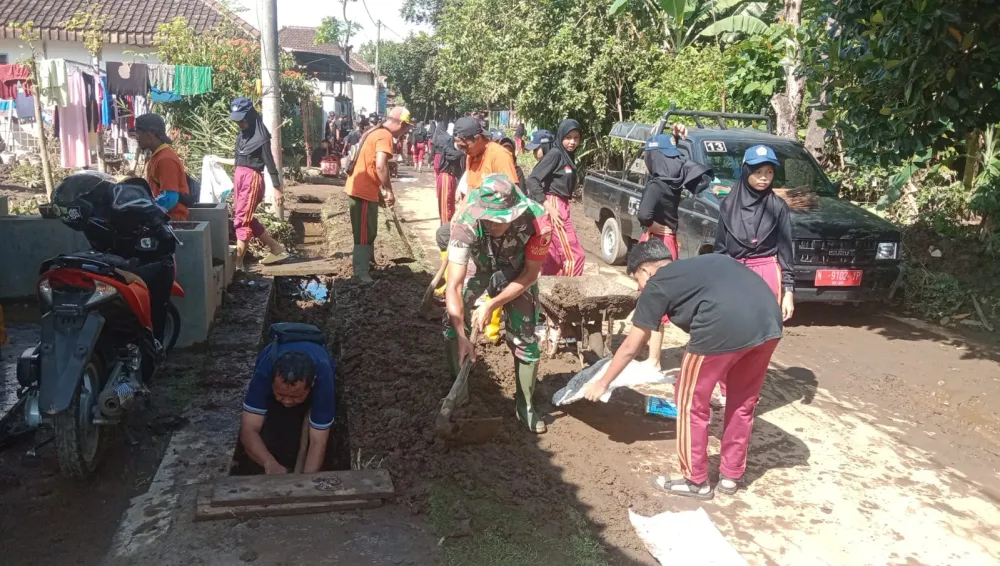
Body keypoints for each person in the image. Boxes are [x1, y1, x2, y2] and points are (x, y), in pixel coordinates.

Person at [583, 240, 783, 499]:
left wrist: (602, 383)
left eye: (637, 281)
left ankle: (695, 480)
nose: (640, 288)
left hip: (721, 328)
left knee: (689, 401)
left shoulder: (656, 283)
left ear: (646, 271)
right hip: (768, 323)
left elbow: (632, 346)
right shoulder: (705, 264)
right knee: (742, 402)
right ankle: (732, 475)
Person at [444, 174, 552, 433]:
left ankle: (524, 406)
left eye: (500, 220)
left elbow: (530, 275)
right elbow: (454, 286)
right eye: (488, 218)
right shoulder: (465, 221)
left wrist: (492, 304)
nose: (492, 224)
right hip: (479, 266)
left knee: (525, 335)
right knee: (451, 325)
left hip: (518, 273)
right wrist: (461, 335)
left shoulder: (538, 221)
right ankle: (460, 394)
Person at [637, 126, 713, 371]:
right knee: (655, 301)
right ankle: (646, 350)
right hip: (669, 244)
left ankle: (653, 360)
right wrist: (677, 139)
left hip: (656, 246)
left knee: (654, 304)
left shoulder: (656, 186)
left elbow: (644, 214)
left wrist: (656, 228)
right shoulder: (673, 183)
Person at [239, 323, 337, 475]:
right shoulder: (265, 370)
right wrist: (269, 463)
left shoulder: (324, 377)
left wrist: (305, 481)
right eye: (281, 394)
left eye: (296, 396)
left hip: (318, 372)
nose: (287, 401)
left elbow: (318, 441)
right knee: (273, 430)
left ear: (311, 385)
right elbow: (249, 429)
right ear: (272, 383)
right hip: (272, 374)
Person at [715, 145, 795, 323]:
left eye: (769, 172)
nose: (764, 178)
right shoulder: (728, 205)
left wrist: (788, 291)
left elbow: (785, 251)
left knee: (763, 328)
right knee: (733, 326)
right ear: (746, 171)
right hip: (733, 273)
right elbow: (720, 249)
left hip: (767, 272)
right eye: (758, 171)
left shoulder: (778, 207)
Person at [343, 106, 412, 282]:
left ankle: (368, 263)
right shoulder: (385, 136)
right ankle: (361, 273)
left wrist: (379, 193)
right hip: (363, 190)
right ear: (400, 123)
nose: (405, 132)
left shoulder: (375, 131)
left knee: (368, 229)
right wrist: (388, 189)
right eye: (406, 128)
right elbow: (381, 165)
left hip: (362, 187)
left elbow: (370, 164)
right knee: (364, 232)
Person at [227, 97, 289, 271]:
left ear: (252, 116)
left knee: (242, 221)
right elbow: (238, 160)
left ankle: (238, 264)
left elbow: (270, 163)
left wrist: (277, 189)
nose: (241, 123)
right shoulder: (242, 136)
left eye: (243, 119)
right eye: (238, 120)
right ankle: (276, 248)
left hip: (252, 180)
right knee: (246, 217)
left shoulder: (261, 137)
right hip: (240, 177)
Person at [526, 119, 585, 277]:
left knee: (552, 257)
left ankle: (547, 297)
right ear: (560, 137)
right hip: (554, 205)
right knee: (575, 256)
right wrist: (549, 207)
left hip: (562, 204)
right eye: (568, 137)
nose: (572, 142)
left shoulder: (567, 156)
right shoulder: (556, 154)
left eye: (576, 138)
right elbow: (532, 180)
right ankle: (571, 296)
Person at [135, 113, 191, 221]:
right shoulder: (158, 156)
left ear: (149, 134)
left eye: (138, 133)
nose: (136, 137)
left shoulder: (165, 159)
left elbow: (170, 197)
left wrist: (146, 212)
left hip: (171, 221)